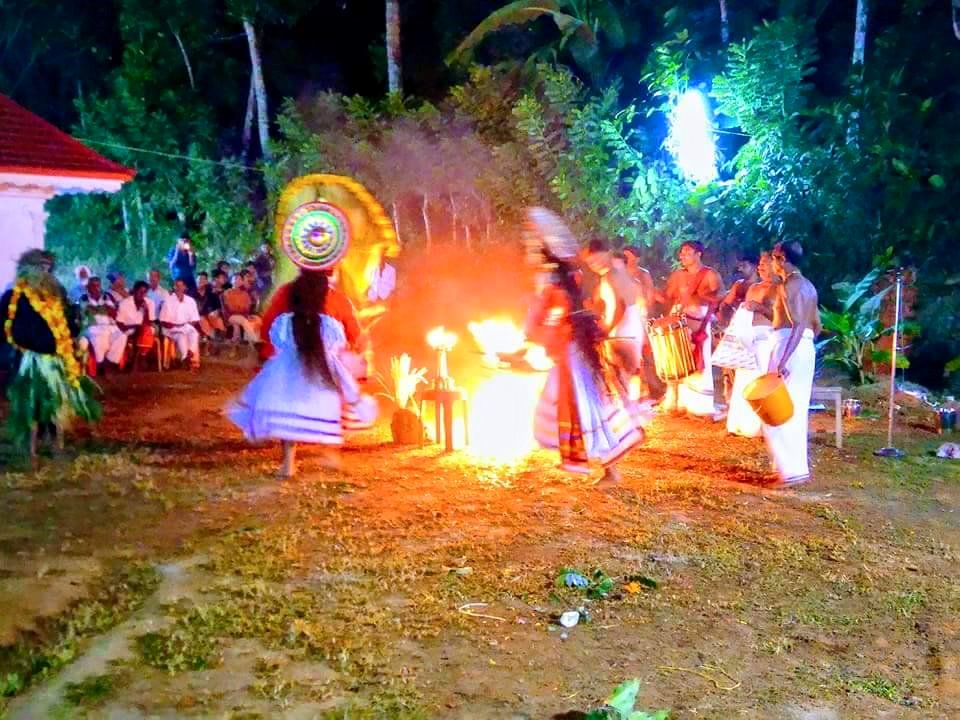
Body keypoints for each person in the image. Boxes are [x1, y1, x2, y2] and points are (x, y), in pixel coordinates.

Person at [524, 208, 646, 485]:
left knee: (585, 407)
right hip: (574, 353)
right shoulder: (571, 285)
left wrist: (534, 329)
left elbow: (539, 321)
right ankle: (590, 461)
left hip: (573, 355)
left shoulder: (557, 291)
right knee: (577, 404)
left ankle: (609, 468)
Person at [227, 270, 377, 478]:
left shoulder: (286, 293)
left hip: (290, 365)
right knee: (334, 404)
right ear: (327, 275)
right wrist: (354, 356)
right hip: (324, 369)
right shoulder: (338, 299)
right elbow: (355, 333)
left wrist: (268, 351)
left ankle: (289, 463)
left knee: (289, 406)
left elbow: (268, 327)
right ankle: (330, 453)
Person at [0, 249, 100, 457]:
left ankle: (56, 447)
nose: (45, 272)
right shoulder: (14, 296)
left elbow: (68, 324)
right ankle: (30, 451)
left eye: (48, 268)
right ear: (27, 269)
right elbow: (5, 327)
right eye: (40, 267)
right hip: (27, 360)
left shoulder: (58, 294)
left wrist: (76, 325)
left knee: (56, 406)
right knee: (30, 407)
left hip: (55, 359)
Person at [764, 241, 821, 487]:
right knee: (793, 408)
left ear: (782, 258)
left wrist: (784, 358)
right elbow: (815, 324)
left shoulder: (790, 285)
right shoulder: (809, 285)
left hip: (790, 346)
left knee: (775, 408)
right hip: (802, 347)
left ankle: (790, 471)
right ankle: (790, 469)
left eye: (774, 258)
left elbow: (798, 324)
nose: (772, 263)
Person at [658, 241, 724, 418]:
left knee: (698, 360)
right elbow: (669, 296)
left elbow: (720, 297)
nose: (682, 256)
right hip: (680, 318)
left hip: (699, 320)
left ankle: (700, 406)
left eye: (687, 252)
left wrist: (702, 296)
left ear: (698, 254)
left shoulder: (710, 274)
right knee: (678, 358)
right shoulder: (678, 275)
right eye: (681, 253)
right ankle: (680, 403)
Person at [724, 252, 779, 437]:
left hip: (768, 338)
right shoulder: (753, 287)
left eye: (765, 263)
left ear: (775, 265)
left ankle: (758, 425)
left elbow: (781, 317)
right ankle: (739, 424)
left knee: (759, 380)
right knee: (743, 380)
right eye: (760, 263)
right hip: (749, 337)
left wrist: (760, 308)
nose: (761, 267)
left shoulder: (780, 288)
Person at [583, 239, 644, 396]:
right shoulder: (616, 274)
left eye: (595, 258)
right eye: (590, 261)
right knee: (626, 379)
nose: (592, 263)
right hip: (628, 330)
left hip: (621, 333)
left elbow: (619, 306)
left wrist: (605, 329)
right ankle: (631, 412)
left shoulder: (611, 276)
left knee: (619, 379)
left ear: (607, 254)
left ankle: (628, 414)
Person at [80, 277, 127, 370]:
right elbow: (88, 311)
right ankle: (101, 364)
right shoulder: (84, 298)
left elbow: (114, 312)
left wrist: (100, 309)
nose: (96, 288)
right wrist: (103, 309)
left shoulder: (107, 296)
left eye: (98, 285)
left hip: (109, 326)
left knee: (122, 336)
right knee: (99, 336)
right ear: (88, 287)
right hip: (92, 326)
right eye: (93, 286)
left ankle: (110, 362)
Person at [159, 278, 201, 370]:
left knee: (194, 333)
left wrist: (187, 326)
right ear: (174, 287)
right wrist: (175, 326)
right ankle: (186, 357)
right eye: (177, 286)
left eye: (181, 286)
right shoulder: (168, 300)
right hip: (170, 328)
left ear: (185, 287)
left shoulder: (190, 301)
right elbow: (163, 321)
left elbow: (195, 319)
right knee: (181, 335)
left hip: (185, 326)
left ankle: (189, 355)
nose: (178, 288)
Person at [116, 281, 157, 370]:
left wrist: (146, 311)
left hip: (145, 329)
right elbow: (120, 324)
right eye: (140, 292)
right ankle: (141, 358)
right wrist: (134, 326)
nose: (142, 295)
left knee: (145, 329)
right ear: (134, 291)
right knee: (142, 330)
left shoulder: (149, 303)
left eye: (145, 292)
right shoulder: (124, 303)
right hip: (128, 329)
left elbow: (149, 323)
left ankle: (138, 356)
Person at [222, 272, 262, 343]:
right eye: (235, 279)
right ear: (231, 281)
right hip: (230, 316)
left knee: (257, 319)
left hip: (243, 316)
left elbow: (247, 308)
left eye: (240, 279)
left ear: (242, 282)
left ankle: (247, 341)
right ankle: (255, 341)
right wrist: (243, 313)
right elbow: (231, 309)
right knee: (242, 320)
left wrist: (246, 314)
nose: (237, 281)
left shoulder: (245, 294)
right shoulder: (227, 293)